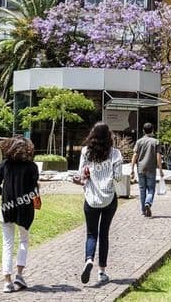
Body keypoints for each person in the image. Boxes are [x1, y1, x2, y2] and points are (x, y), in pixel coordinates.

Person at [76, 122, 122, 285]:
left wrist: (88, 175)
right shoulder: (115, 154)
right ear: (108, 136)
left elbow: (81, 175)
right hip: (109, 198)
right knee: (104, 234)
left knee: (91, 234)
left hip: (91, 198)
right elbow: (117, 177)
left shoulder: (85, 152)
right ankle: (102, 271)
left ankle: (89, 259)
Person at [0, 136, 39, 293]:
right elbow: (34, 190)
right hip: (25, 210)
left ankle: (7, 281)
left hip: (6, 208)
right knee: (24, 241)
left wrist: (3, 194)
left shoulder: (6, 164)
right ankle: (19, 274)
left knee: (7, 244)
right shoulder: (32, 167)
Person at [131, 122, 164, 217]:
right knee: (151, 189)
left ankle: (143, 210)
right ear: (152, 130)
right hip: (151, 169)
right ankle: (148, 203)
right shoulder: (156, 142)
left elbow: (135, 155)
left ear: (143, 131)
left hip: (140, 168)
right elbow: (158, 156)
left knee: (142, 190)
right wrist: (160, 170)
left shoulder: (139, 141)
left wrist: (132, 169)